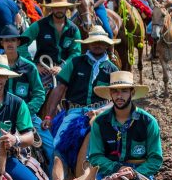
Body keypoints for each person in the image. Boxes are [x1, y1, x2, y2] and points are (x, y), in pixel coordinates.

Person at [42, 25, 118, 154]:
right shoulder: (75, 63)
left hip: (101, 112)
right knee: (57, 146)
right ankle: (53, 173)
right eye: (94, 42)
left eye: (101, 42)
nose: (97, 45)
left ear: (106, 45)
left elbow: (116, 99)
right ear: (88, 44)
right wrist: (49, 116)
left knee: (115, 146)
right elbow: (59, 89)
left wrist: (100, 110)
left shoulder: (113, 70)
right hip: (75, 111)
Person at [0, 25, 53, 167]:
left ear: (18, 42)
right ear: (2, 43)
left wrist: (24, 111)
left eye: (13, 40)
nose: (9, 43)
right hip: (0, 115)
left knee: (52, 148)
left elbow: (39, 94)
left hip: (27, 117)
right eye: (6, 41)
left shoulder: (29, 67)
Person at [88, 70, 161, 178]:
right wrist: (118, 169)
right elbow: (95, 156)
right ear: (110, 94)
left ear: (132, 93)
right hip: (108, 171)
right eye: (115, 91)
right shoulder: (99, 122)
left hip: (140, 173)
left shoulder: (149, 122)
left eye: (124, 91)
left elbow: (155, 159)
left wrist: (134, 174)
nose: (119, 96)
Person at [18, 0, 81, 82]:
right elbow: (21, 43)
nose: (59, 10)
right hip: (42, 69)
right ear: (52, 8)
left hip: (65, 70)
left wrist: (62, 67)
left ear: (66, 8)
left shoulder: (74, 30)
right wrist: (33, 65)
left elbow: (76, 53)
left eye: (62, 7)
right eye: (56, 7)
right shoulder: (39, 25)